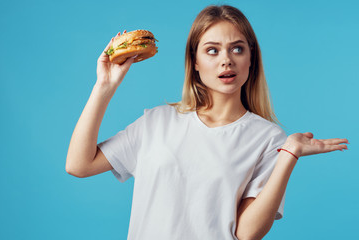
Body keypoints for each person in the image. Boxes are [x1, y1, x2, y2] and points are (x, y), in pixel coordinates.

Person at [66, 5, 348, 240]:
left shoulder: (269, 138)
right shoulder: (157, 122)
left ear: (251, 58)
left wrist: (289, 155)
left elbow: (247, 232)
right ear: (195, 61)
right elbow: (79, 165)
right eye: (212, 50)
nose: (226, 60)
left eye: (237, 49)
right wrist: (104, 86)